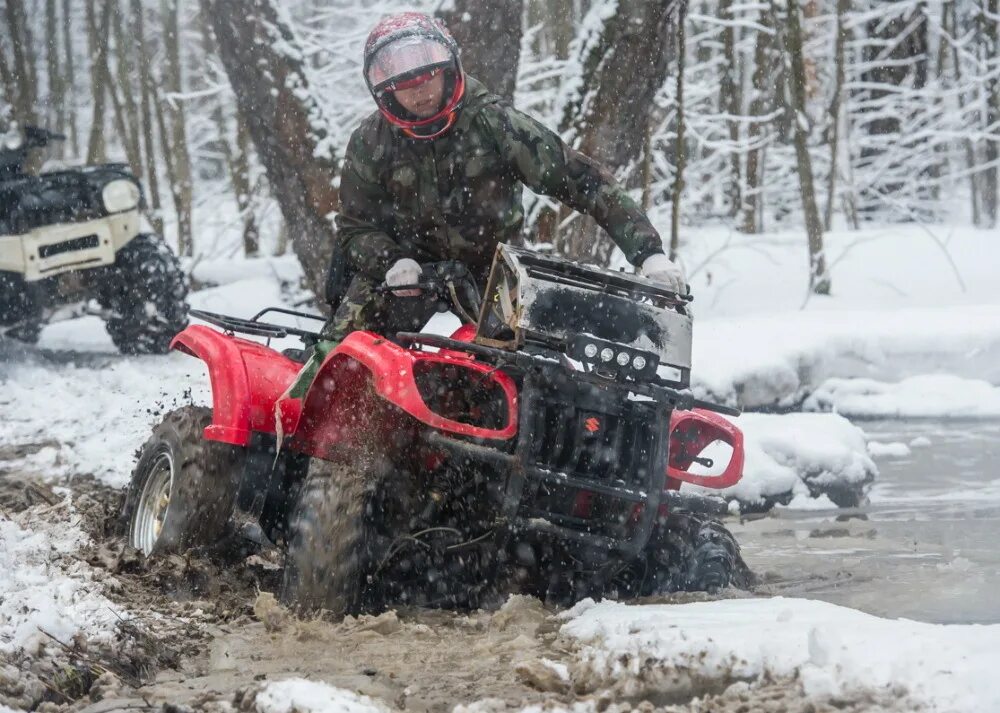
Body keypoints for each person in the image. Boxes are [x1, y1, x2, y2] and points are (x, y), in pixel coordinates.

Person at [289, 11, 684, 397]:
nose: (420, 93)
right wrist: (391, 261)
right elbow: (355, 227)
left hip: (490, 270)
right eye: (406, 87)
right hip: (408, 273)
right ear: (385, 91)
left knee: (533, 369)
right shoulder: (371, 141)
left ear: (449, 70)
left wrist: (648, 253)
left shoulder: (495, 123)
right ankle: (305, 415)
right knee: (340, 346)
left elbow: (583, 181)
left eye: (428, 78)